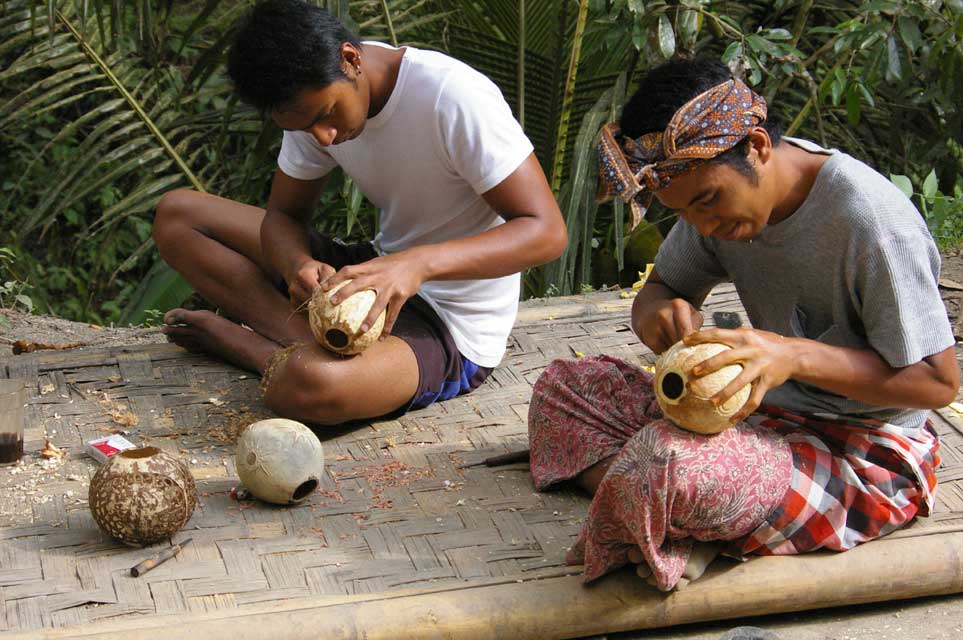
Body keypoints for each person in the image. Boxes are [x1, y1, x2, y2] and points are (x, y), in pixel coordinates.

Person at [527, 57, 960, 591]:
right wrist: (659, 315)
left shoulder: (871, 222)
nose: (706, 227)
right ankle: (696, 515)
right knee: (562, 390)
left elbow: (938, 383)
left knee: (663, 462)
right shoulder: (707, 197)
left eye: (709, 203)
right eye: (686, 215)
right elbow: (661, 289)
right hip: (757, 425)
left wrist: (792, 355)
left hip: (866, 453)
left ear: (757, 147)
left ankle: (682, 506)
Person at [152, 0, 566, 426]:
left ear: (350, 59)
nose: (325, 139)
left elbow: (547, 231)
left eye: (326, 116)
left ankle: (247, 344)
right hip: (370, 277)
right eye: (305, 129)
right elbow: (282, 218)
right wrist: (298, 266)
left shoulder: (451, 96)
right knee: (178, 215)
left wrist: (413, 266)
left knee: (311, 387)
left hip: (452, 323)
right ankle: (313, 343)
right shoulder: (312, 105)